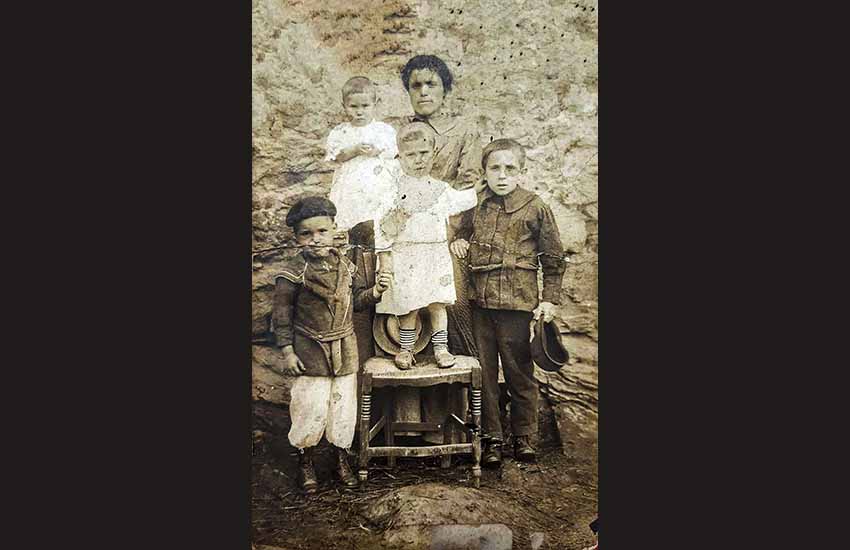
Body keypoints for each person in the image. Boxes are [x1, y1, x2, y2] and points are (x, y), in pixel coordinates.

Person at [451, 139, 567, 466]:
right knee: (484, 373)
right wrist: (458, 240)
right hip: (480, 305)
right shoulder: (475, 205)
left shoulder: (535, 207)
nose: (502, 176)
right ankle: (491, 438)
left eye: (510, 169)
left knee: (519, 370)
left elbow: (554, 258)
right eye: (495, 168)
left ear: (522, 171)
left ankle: (524, 436)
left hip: (517, 304)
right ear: (485, 172)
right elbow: (456, 230)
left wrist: (549, 300)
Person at [271, 196, 391, 493]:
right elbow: (281, 318)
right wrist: (287, 351)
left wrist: (375, 291)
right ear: (296, 238)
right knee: (309, 405)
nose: (315, 240)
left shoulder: (345, 266)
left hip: (345, 348)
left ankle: (340, 457)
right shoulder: (292, 273)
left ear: (334, 228)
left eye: (322, 232)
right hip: (309, 350)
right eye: (306, 234)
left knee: (343, 407)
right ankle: (306, 459)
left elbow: (356, 304)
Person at [374, 122, 477, 369]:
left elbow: (461, 201)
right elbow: (382, 225)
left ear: (433, 154)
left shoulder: (441, 190)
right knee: (407, 306)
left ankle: (441, 349)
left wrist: (479, 189)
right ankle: (407, 349)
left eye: (423, 153)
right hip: (406, 254)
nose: (418, 160)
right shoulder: (391, 190)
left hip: (434, 254)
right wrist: (385, 258)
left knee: (437, 304)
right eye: (410, 155)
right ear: (400, 157)